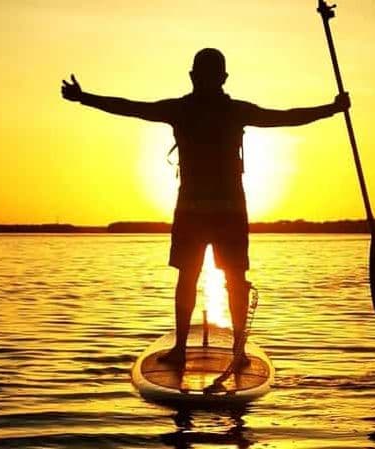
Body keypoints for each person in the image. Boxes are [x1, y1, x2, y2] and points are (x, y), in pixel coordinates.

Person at [62, 48, 350, 370]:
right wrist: (332, 109)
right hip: (224, 211)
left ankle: (187, 351)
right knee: (230, 278)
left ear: (194, 76)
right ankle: (229, 352)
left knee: (194, 277)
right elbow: (285, 116)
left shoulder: (184, 109)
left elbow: (131, 109)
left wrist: (84, 98)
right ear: (221, 78)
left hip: (195, 211)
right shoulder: (230, 111)